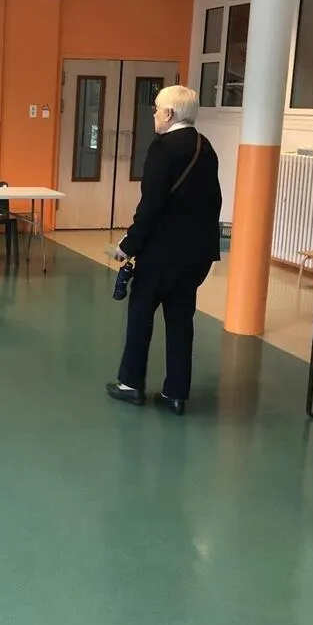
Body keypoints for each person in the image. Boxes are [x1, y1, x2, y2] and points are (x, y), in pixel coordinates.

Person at [105, 85, 222, 416]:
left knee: (141, 313)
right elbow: (214, 200)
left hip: (162, 252)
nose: (154, 114)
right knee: (181, 319)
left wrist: (128, 245)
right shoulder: (205, 146)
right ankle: (176, 394)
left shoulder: (163, 149)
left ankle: (131, 384)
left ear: (169, 114)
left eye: (156, 109)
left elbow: (151, 205)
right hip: (197, 253)